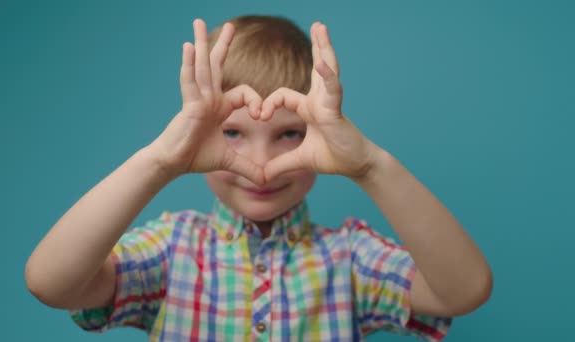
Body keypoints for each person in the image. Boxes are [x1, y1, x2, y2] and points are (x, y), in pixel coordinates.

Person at [25, 15, 493, 341]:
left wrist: (369, 165)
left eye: (289, 134)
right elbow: (51, 283)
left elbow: (465, 291)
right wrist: (160, 162)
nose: (261, 162)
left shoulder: (350, 257)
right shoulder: (172, 248)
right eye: (232, 133)